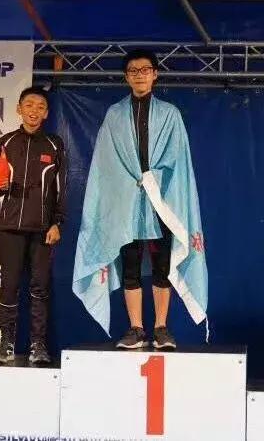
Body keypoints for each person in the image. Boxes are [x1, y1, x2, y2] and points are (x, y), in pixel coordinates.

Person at [72, 49, 209, 350]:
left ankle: (161, 328)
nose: (139, 75)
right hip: (126, 202)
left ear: (155, 74)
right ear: (126, 77)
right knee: (130, 264)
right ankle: (136, 328)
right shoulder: (114, 114)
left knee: (162, 264)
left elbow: (178, 159)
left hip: (161, 201)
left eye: (145, 70)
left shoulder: (170, 114)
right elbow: (106, 162)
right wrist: (126, 183)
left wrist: (153, 179)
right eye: (133, 71)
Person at [0, 86, 66, 365]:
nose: (34, 111)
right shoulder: (5, 142)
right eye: (29, 105)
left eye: (40, 107)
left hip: (43, 229)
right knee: (9, 285)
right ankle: (6, 344)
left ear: (46, 113)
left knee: (39, 288)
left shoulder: (55, 144)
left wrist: (57, 222)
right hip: (10, 228)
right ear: (19, 109)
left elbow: (61, 188)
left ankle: (38, 345)